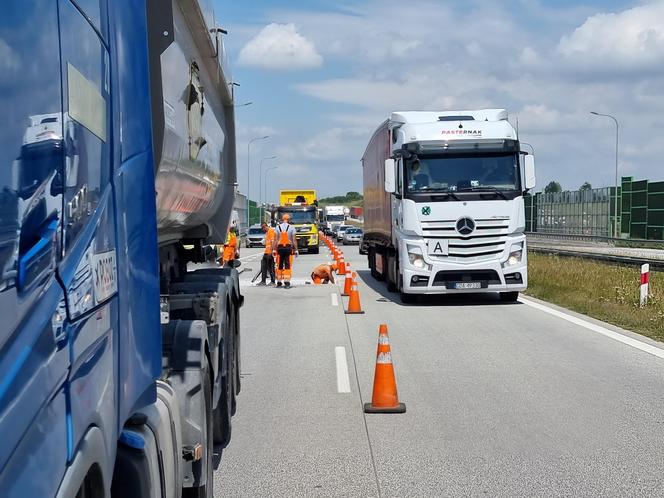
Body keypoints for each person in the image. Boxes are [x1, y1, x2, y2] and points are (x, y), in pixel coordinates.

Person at [273, 213, 298, 288]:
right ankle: (287, 282)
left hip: (280, 248)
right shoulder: (291, 227)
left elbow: (275, 240)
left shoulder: (278, 227)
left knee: (279, 264)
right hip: (288, 248)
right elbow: (294, 240)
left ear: (282, 219)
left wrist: (274, 250)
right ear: (289, 220)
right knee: (287, 264)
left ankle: (279, 282)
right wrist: (296, 250)